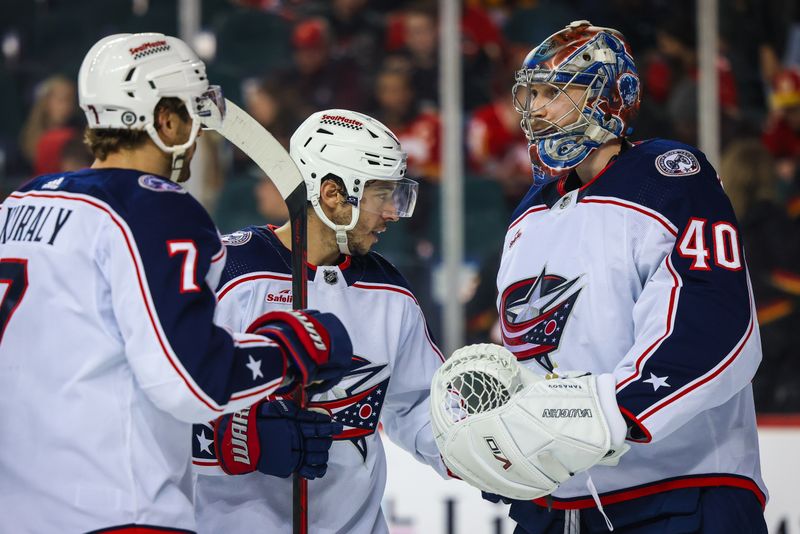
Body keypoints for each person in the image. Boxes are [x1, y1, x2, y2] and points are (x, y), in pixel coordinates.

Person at [0, 33, 352, 533]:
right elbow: (189, 382)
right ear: (164, 119)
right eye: (192, 113)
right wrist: (291, 349)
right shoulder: (156, 206)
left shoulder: (21, 203)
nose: (199, 131)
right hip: (117, 513)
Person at [436, 21, 768, 533]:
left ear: (610, 96)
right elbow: (538, 353)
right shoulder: (530, 212)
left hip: (679, 492)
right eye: (532, 94)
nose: (537, 108)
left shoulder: (670, 177)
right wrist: (508, 438)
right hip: (558, 507)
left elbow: (719, 324)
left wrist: (616, 412)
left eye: (555, 92)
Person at [192, 109, 448, 533]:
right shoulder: (227, 273)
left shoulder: (391, 291)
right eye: (382, 195)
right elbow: (160, 406)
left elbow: (421, 406)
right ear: (332, 194)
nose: (392, 213)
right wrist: (239, 441)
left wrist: (480, 451)